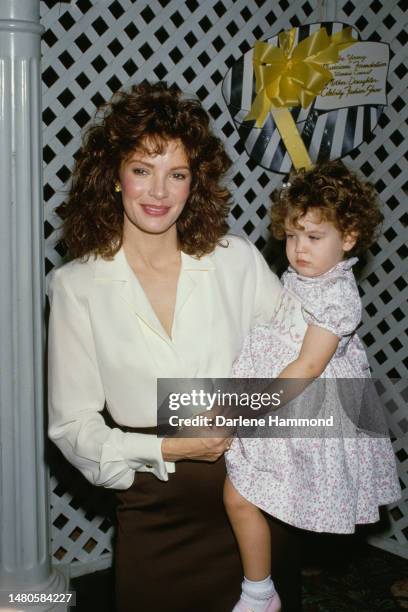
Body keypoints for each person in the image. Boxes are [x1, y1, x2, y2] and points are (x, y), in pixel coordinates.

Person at [47, 81, 295, 612]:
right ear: (113, 177)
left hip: (254, 502)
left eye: (176, 174)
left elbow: (304, 363)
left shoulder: (237, 261)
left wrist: (247, 410)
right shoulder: (76, 285)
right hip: (154, 512)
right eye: (142, 170)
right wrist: (172, 447)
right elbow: (73, 427)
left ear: (193, 183)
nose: (159, 192)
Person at [224, 161, 401, 612]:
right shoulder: (305, 277)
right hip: (281, 395)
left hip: (303, 404)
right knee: (241, 494)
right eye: (292, 235)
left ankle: (260, 591)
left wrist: (249, 405)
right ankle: (261, 588)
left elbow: (306, 365)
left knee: (242, 494)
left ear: (349, 237)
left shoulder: (337, 295)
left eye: (314, 237)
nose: (299, 249)